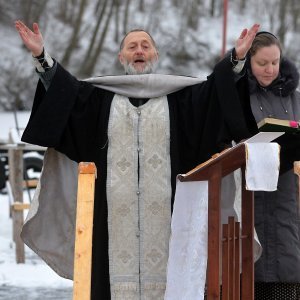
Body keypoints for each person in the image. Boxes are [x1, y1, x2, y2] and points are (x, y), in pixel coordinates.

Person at [15, 20, 259, 299]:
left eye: (146, 46)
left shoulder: (180, 99)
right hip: (109, 224)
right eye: (132, 46)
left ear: (155, 55)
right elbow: (65, 93)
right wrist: (41, 57)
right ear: (121, 57)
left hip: (170, 220)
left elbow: (215, 95)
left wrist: (236, 59)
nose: (139, 50)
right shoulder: (99, 99)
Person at [241, 31, 300, 299]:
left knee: (286, 247)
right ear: (250, 62)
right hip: (248, 183)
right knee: (252, 252)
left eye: (275, 62)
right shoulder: (239, 94)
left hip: (285, 183)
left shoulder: (295, 97)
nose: (270, 69)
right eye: (263, 63)